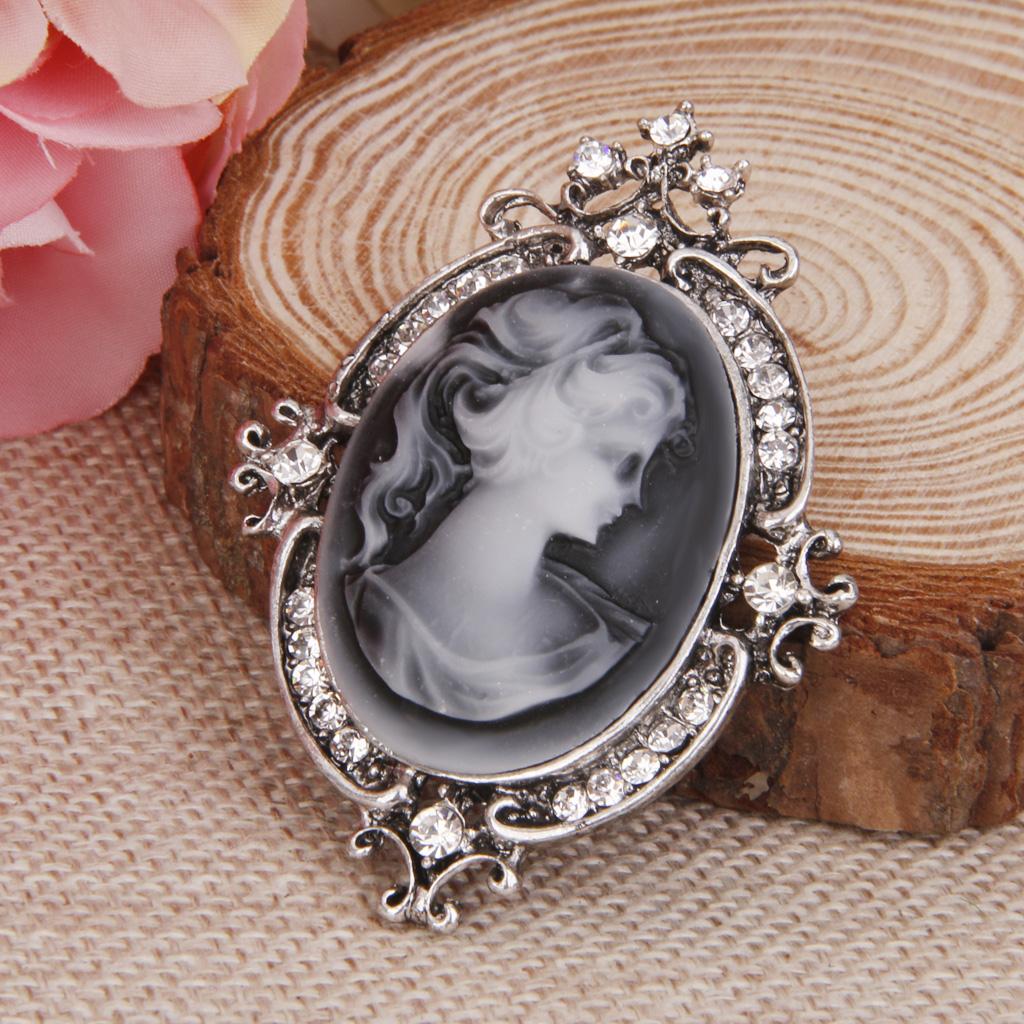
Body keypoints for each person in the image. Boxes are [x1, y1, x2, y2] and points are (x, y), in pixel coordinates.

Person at [343, 283, 690, 722]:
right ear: (540, 426)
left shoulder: (605, 635)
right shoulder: (377, 625)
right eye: (619, 460)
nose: (634, 494)